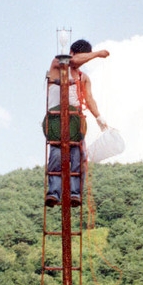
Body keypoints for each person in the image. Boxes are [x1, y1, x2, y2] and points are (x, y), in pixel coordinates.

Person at [43, 40, 109, 207]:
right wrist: (97, 54)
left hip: (75, 120)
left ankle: (75, 193)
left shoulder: (83, 77)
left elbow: (89, 98)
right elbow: (72, 62)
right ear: (72, 53)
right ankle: (54, 192)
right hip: (56, 119)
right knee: (57, 155)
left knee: (79, 157)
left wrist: (99, 117)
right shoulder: (58, 64)